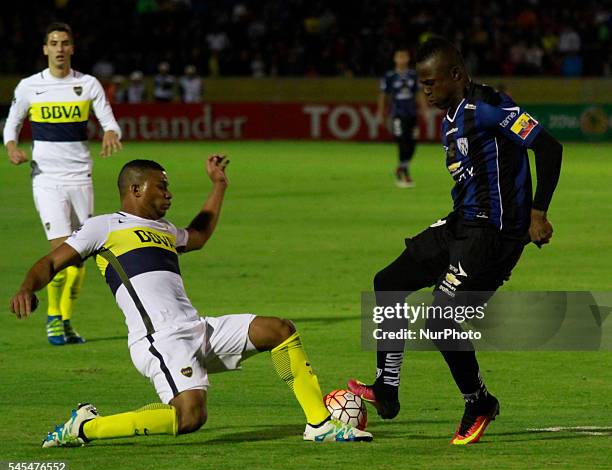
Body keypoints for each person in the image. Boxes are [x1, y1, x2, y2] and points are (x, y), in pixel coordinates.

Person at [10, 155, 373, 446]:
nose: (169, 194)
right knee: (190, 418)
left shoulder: (165, 230)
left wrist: (218, 185)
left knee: (278, 330)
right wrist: (28, 287)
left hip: (197, 328)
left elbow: (198, 235)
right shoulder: (104, 226)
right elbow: (52, 261)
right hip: (160, 340)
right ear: (135, 189)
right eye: (161, 187)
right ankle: (86, 428)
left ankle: (319, 424)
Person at [349, 37, 562, 444]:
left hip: (494, 237)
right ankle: (386, 389)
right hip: (461, 225)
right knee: (388, 283)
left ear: (456, 76)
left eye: (431, 83)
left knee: (441, 319)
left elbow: (549, 148)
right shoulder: (452, 114)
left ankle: (479, 401)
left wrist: (538, 212)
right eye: (421, 84)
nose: (425, 91)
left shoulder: (491, 108)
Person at [3, 22, 122, 346]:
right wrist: (12, 146)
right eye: (53, 43)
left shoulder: (88, 84)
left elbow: (109, 121)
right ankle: (54, 318)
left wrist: (111, 132)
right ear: (45, 49)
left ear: (72, 48)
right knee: (61, 249)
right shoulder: (30, 86)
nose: (59, 48)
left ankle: (65, 320)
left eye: (64, 43)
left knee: (80, 252)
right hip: (47, 179)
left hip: (80, 175)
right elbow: (11, 123)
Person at [376, 48, 427, 188]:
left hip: (412, 114)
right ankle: (404, 173)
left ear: (408, 59)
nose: (402, 59)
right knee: (402, 141)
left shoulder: (413, 75)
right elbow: (383, 95)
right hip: (397, 114)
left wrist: (424, 109)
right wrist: (381, 113)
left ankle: (401, 167)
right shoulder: (390, 76)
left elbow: (418, 93)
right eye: (399, 57)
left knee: (413, 143)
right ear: (395, 59)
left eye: (404, 57)